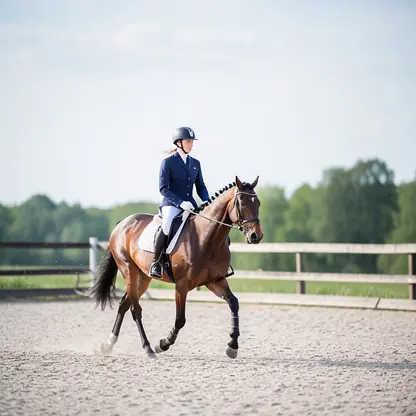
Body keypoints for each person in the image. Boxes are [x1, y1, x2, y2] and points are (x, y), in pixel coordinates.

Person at [149, 126, 210, 278]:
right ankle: (156, 263)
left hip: (191, 204)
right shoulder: (168, 162)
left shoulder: (195, 163)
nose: (191, 144)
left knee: (209, 225)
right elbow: (163, 189)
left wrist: (208, 201)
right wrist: (180, 203)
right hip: (172, 204)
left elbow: (200, 186)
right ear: (179, 142)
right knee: (168, 224)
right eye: (188, 141)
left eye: (192, 141)